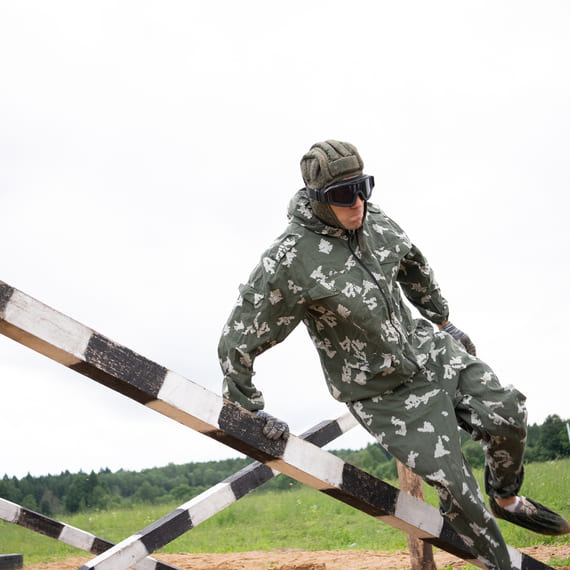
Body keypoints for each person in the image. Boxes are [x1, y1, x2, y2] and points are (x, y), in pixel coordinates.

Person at [217, 140, 569, 569]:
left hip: (427, 351)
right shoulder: (288, 262)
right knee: (457, 488)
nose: (358, 202)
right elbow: (237, 340)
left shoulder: (375, 220)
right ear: (318, 200)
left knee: (507, 411)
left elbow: (412, 264)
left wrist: (441, 320)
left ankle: (507, 497)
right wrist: (247, 410)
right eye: (344, 195)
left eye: (364, 187)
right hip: (383, 393)